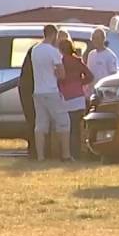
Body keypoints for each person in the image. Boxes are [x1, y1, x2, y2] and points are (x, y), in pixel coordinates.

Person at [31, 24, 71, 162]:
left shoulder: (35, 50)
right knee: (63, 122)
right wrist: (56, 73)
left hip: (38, 91)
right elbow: (62, 74)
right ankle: (65, 155)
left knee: (41, 124)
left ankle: (40, 156)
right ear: (53, 35)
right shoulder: (53, 51)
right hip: (51, 90)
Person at [56, 32, 93, 160]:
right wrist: (80, 83)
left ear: (61, 49)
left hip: (66, 97)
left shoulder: (61, 62)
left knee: (68, 127)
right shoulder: (77, 61)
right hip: (79, 97)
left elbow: (58, 79)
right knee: (77, 127)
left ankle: (69, 153)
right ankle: (78, 153)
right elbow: (90, 76)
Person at [85, 27, 119, 92]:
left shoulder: (110, 56)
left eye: (97, 38)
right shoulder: (91, 54)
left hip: (104, 92)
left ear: (103, 39)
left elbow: (113, 76)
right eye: (93, 38)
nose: (95, 40)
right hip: (92, 92)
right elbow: (89, 74)